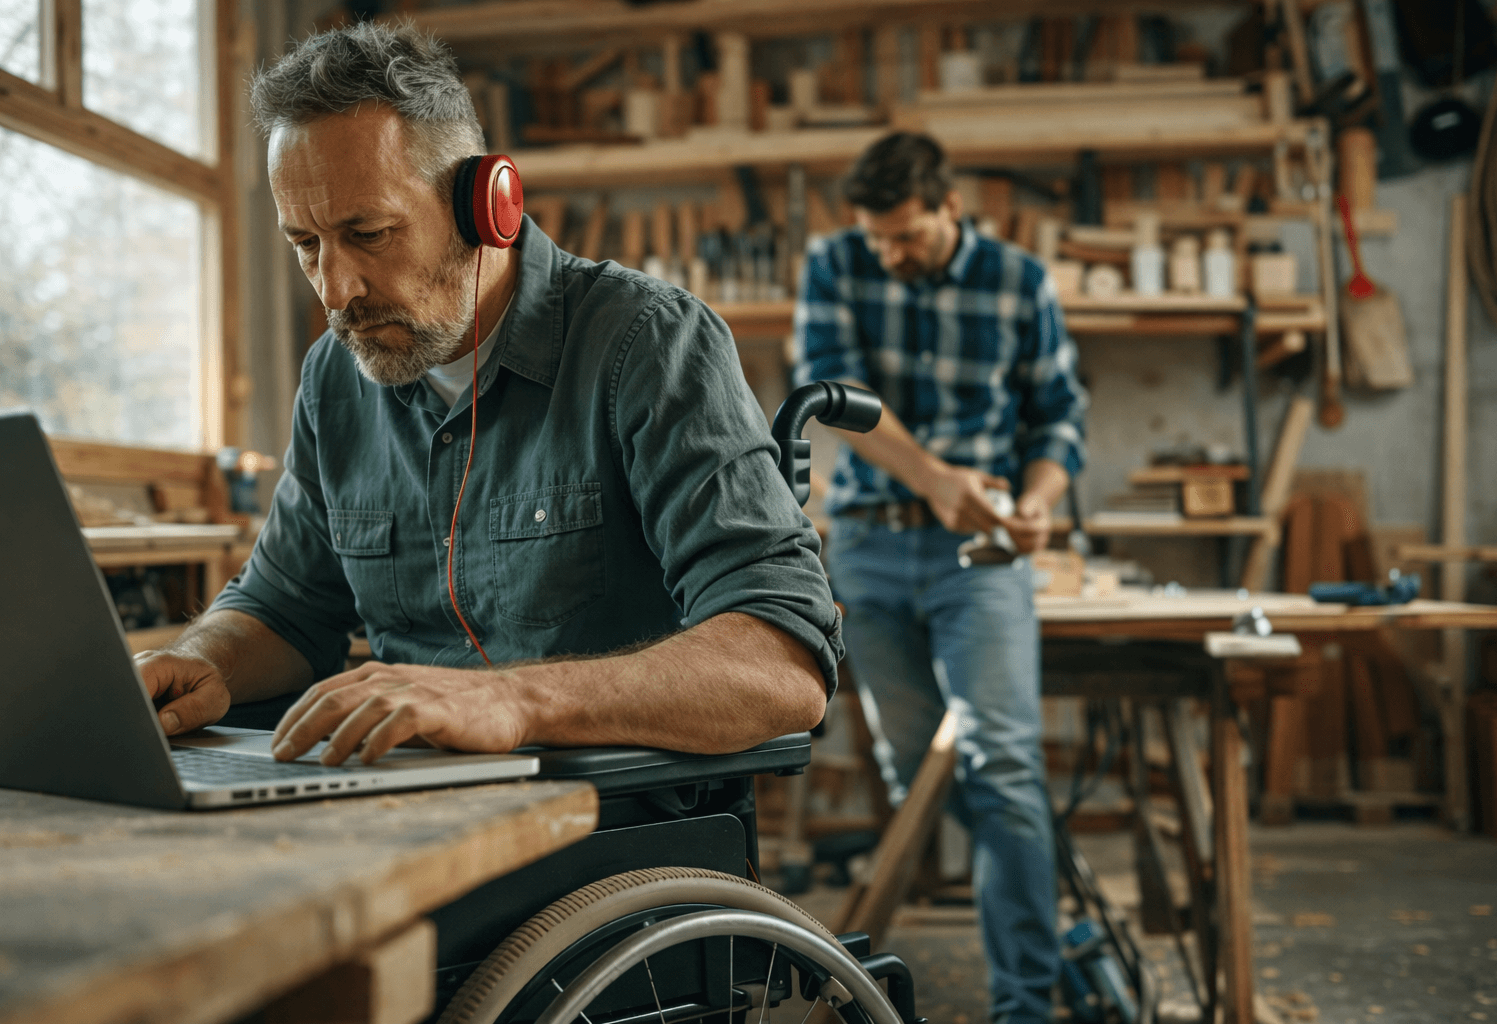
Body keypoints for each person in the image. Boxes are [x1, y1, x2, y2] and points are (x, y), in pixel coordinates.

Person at [135, 22, 840, 766]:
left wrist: (512, 698)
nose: (335, 290)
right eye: (306, 245)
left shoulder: (647, 344)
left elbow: (781, 665)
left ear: (487, 207)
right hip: (398, 811)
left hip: (610, 825)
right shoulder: (333, 377)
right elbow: (284, 607)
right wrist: (207, 662)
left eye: (369, 233)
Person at [794, 132, 1088, 1023]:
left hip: (983, 554)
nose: (889, 251)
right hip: (873, 550)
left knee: (1000, 766)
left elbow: (1059, 417)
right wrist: (936, 479)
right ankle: (1055, 950)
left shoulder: (1019, 279)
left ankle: (1025, 1007)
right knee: (921, 774)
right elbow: (828, 386)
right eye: (877, 236)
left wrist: (1037, 499)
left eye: (907, 236)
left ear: (951, 208)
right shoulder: (836, 263)